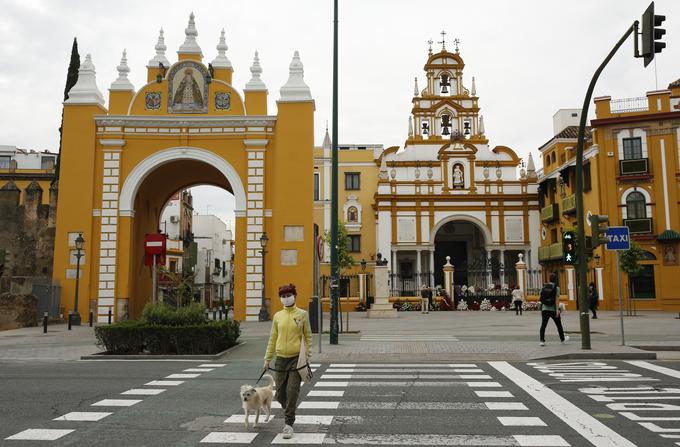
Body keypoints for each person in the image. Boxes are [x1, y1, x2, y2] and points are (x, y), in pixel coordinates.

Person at [263, 284, 312, 440]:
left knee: (292, 392)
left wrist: (307, 355)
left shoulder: (302, 314)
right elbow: (273, 338)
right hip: (280, 360)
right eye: (283, 296)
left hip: (296, 359)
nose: (286, 298)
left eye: (288, 295)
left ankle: (288, 423)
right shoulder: (278, 316)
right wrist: (267, 358)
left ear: (294, 296)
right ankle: (289, 410)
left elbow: (308, 336)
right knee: (280, 394)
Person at [538, 273, 569, 346]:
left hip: (544, 309)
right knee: (559, 325)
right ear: (556, 280)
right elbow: (557, 299)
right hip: (553, 309)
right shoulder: (556, 288)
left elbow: (541, 297)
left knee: (543, 325)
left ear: (549, 279)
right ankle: (562, 339)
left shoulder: (544, 287)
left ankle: (542, 341)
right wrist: (557, 310)